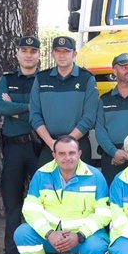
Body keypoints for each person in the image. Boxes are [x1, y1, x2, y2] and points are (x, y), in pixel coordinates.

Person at [14, 135, 113, 254]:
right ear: (54, 155)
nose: (67, 158)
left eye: (71, 153)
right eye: (61, 153)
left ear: (79, 153)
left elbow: (104, 212)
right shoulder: (41, 174)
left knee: (97, 246)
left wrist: (79, 235)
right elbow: (31, 209)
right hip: (53, 236)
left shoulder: (95, 176)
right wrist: (49, 233)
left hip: (83, 237)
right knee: (22, 233)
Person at [0, 36, 51, 254]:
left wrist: (16, 110)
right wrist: (31, 109)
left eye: (33, 51)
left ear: (38, 55)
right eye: (24, 50)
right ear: (17, 53)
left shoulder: (45, 80)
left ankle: (48, 252)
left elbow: (46, 111)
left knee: (45, 201)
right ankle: (11, 253)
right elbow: (0, 107)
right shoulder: (7, 80)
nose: (28, 55)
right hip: (14, 148)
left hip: (39, 147)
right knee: (12, 202)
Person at [30, 36, 100, 167]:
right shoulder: (41, 78)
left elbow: (89, 117)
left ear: (74, 54)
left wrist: (67, 143)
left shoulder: (86, 78)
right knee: (45, 180)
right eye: (58, 51)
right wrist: (52, 143)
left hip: (78, 144)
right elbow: (34, 115)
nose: (62, 55)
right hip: (50, 144)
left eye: (66, 51)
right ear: (52, 54)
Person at [95, 52, 128, 181]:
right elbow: (100, 130)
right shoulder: (104, 100)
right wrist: (114, 152)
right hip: (110, 156)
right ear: (115, 70)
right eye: (124, 67)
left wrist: (127, 152)